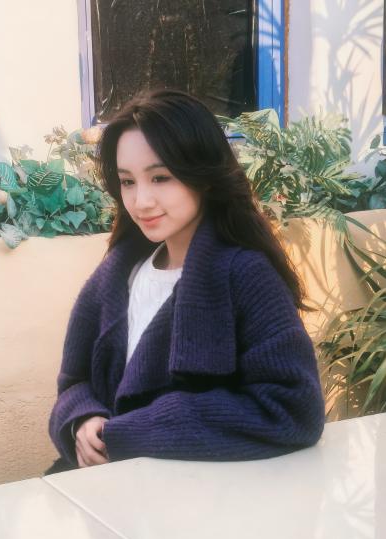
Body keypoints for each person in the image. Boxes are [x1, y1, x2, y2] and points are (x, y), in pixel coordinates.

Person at [46, 89, 325, 472]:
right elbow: (74, 383)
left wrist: (136, 431)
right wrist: (82, 420)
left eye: (160, 177)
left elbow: (293, 409)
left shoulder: (245, 275)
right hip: (104, 489)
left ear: (203, 176)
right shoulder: (117, 272)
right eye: (127, 181)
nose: (141, 201)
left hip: (197, 496)